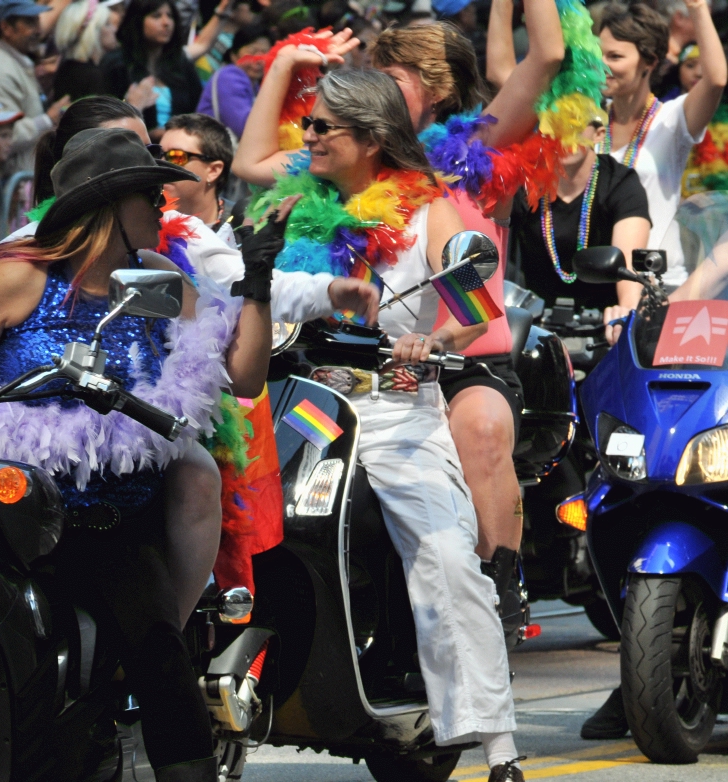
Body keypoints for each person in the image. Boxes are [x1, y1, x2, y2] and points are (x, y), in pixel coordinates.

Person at [0, 127, 278, 780]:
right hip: (11, 509)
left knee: (159, 653)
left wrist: (258, 285)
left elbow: (245, 377)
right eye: (151, 198)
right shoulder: (16, 279)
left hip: (112, 513)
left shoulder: (156, 279)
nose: (165, 207)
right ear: (111, 208)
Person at [234, 0, 565, 629]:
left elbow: (544, 55)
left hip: (462, 355)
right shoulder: (343, 153)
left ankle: (496, 588)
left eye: (393, 78)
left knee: (484, 432)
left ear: (435, 91)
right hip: (351, 362)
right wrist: (284, 64)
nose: (375, 88)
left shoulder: (470, 147)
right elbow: (251, 165)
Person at [15, 95, 379, 625]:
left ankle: (183, 626)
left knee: (198, 471)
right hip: (30, 450)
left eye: (154, 154)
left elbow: (237, 327)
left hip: (137, 448)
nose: (162, 194)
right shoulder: (24, 258)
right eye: (141, 170)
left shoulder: (170, 254)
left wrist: (321, 289)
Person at [256, 68, 522, 781]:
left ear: (372, 139)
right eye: (306, 125)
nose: (305, 137)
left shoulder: (428, 211)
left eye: (321, 127)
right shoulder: (287, 209)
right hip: (302, 403)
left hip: (395, 403)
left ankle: (495, 741)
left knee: (444, 555)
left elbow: (473, 313)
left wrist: (430, 342)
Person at [596, 2, 726, 286]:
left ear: (651, 60)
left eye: (615, 56)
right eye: (599, 54)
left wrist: (697, 8)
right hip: (598, 281)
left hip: (658, 283)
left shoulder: (672, 119)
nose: (602, 64)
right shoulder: (589, 121)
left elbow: (715, 80)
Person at [511, 116, 651, 329]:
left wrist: (627, 313)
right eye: (555, 127)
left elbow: (630, 266)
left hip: (602, 327)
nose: (564, 138)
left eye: (575, 126)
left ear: (599, 134)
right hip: (531, 326)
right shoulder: (526, 182)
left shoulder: (621, 183)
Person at [0, 0, 72, 175]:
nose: (38, 30)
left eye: (37, 21)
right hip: (12, 183)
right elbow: (1, 135)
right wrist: (48, 119)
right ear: (6, 28)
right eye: (29, 22)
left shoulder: (16, 63)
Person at [101, 0, 213, 138]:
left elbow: (198, 111)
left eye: (170, 16)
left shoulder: (181, 63)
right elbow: (103, 120)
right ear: (138, 20)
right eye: (156, 16)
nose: (166, 23)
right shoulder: (116, 63)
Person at [161, 112, 233, 234]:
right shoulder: (142, 222)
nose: (160, 164)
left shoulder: (243, 226)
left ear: (213, 170)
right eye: (157, 155)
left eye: (176, 157)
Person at [195, 22, 270, 138]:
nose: (259, 59)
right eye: (252, 52)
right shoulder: (229, 76)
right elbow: (245, 127)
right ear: (234, 55)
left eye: (266, 53)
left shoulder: (255, 86)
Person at [51, 0, 122, 102]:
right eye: (107, 24)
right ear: (92, 31)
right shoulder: (93, 76)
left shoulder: (66, 67)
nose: (114, 30)